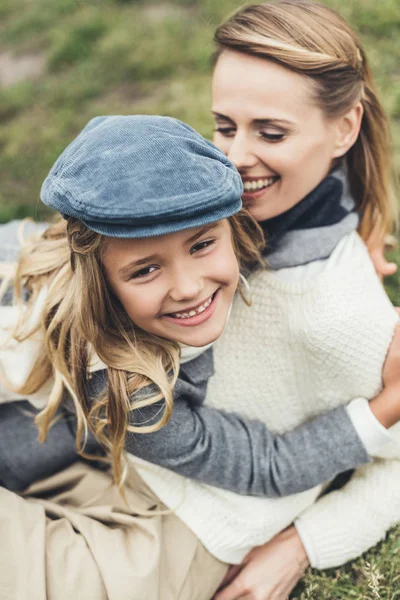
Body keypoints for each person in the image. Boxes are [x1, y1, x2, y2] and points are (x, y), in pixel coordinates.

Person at [4, 113, 400, 599]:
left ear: (236, 226)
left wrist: (366, 233)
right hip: (41, 462)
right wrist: (388, 406)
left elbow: (319, 172)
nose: (189, 288)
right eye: (146, 270)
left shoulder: (251, 240)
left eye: (203, 245)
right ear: (101, 284)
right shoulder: (125, 388)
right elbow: (265, 466)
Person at [94, 3, 400, 599]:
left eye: (271, 132)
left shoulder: (339, 314)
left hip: (161, 490)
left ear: (345, 127)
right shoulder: (254, 214)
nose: (232, 160)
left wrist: (302, 544)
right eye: (225, 126)